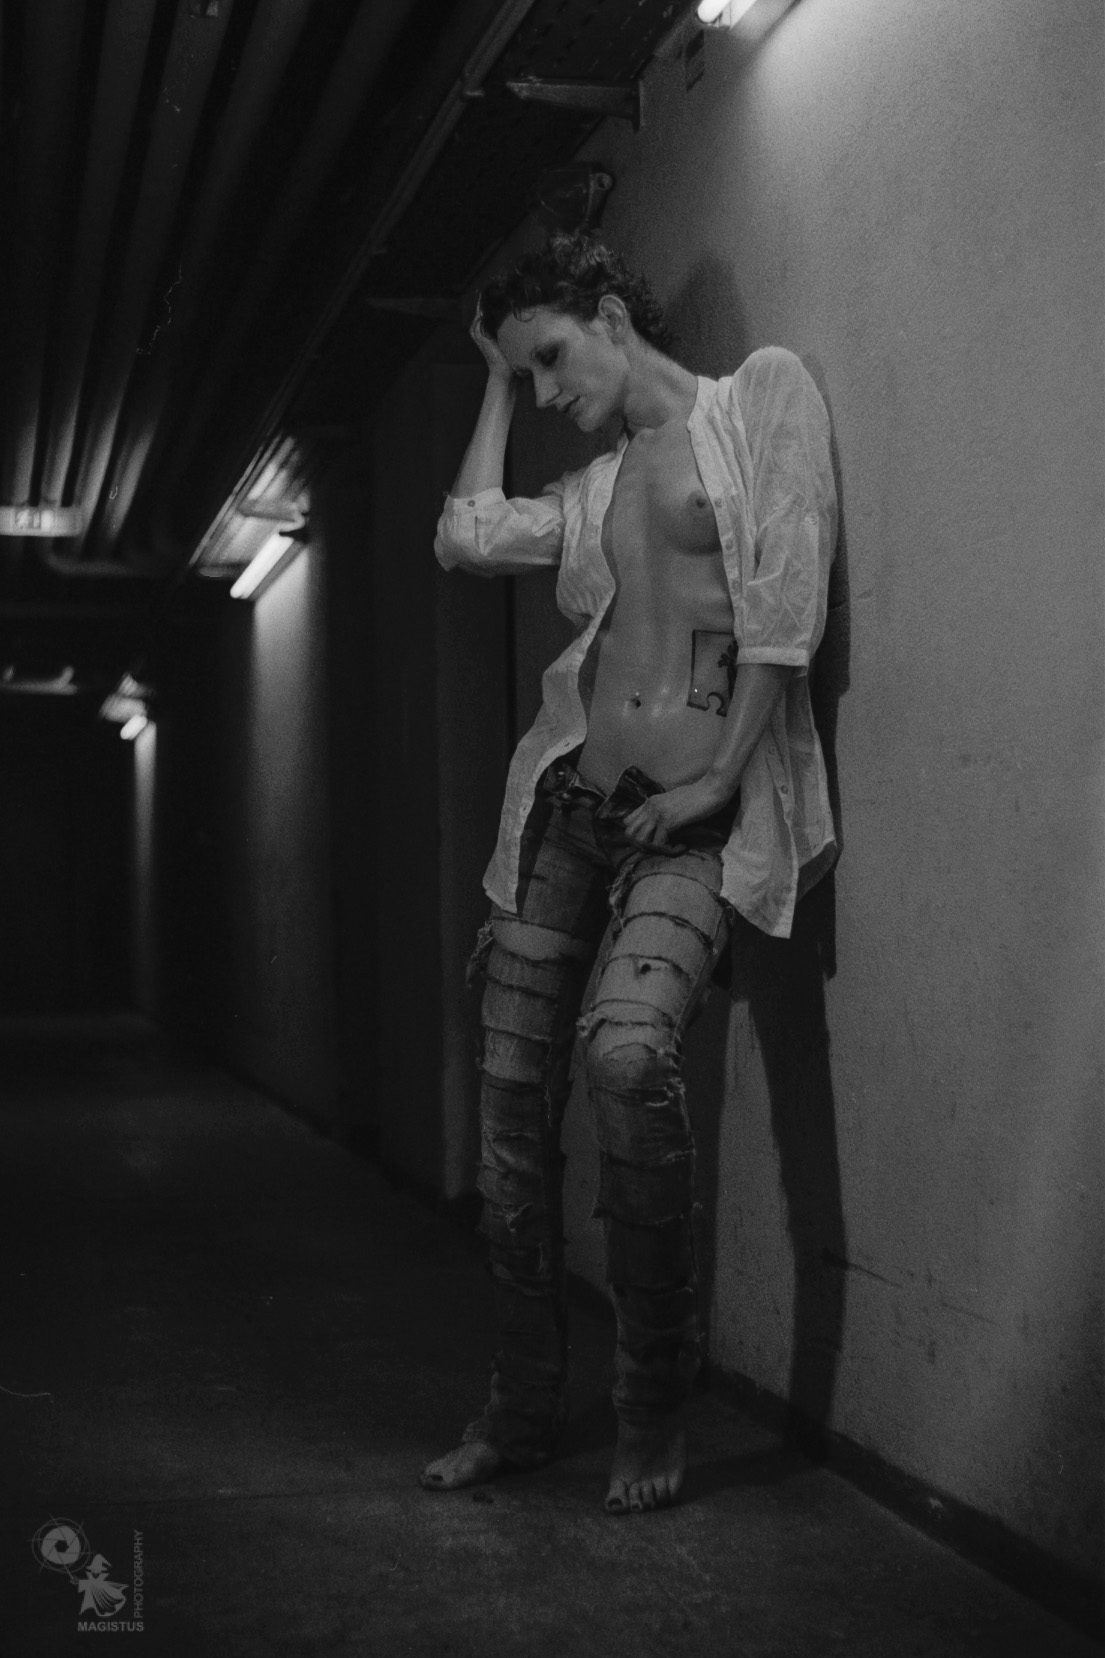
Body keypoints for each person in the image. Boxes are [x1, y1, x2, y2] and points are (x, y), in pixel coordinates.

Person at [421, 233, 837, 1515]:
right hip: (571, 809)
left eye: (552, 359)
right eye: (529, 377)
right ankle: (517, 1406)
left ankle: (650, 1401)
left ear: (611, 316)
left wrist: (718, 780)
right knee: (506, 1111)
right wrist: (493, 374)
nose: (551, 392)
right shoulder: (595, 487)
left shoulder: (756, 401)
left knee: (622, 1054)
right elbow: (465, 535)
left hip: (692, 818)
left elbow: (786, 605)